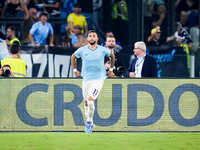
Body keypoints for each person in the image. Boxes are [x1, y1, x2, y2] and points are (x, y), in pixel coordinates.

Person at [71, 30, 116, 134]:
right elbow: (73, 56)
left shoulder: (102, 49)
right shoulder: (82, 50)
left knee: (91, 100)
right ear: (87, 39)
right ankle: (90, 122)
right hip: (86, 79)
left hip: (98, 79)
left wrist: (110, 71)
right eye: (90, 36)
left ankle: (89, 122)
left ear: (97, 39)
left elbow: (112, 56)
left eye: (94, 36)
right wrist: (75, 70)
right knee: (86, 102)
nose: (91, 38)